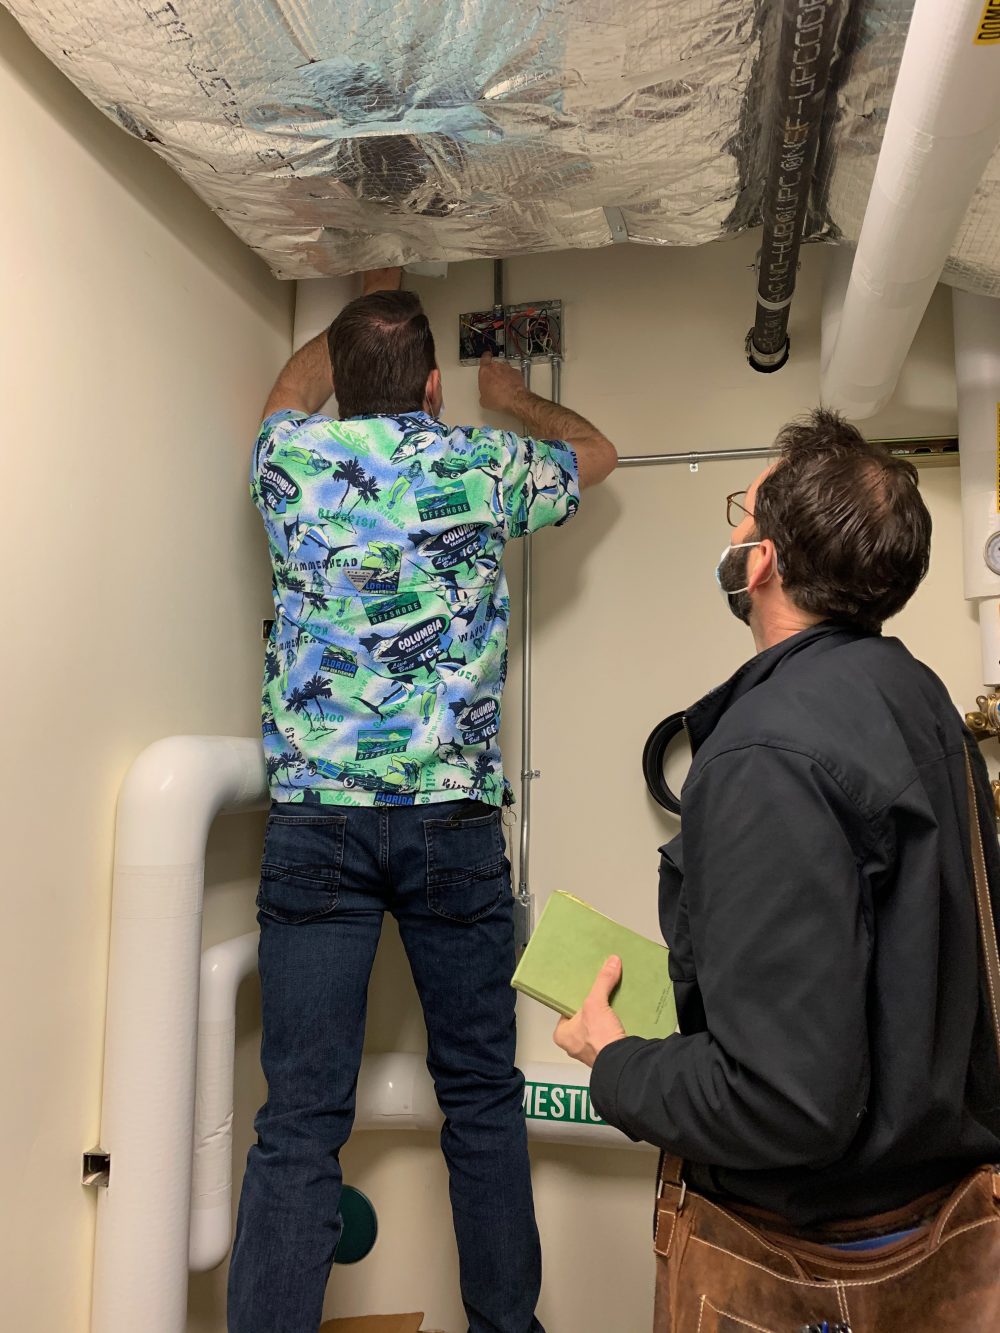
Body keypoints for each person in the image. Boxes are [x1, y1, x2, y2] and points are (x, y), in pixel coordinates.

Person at [228, 268, 617, 1333]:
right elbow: (598, 455)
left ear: (343, 386)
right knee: (481, 1097)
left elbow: (279, 395)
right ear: (434, 387)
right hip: (449, 821)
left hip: (316, 822)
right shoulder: (482, 463)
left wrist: (361, 307)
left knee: (299, 1123)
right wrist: (514, 396)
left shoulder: (292, 459)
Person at [556, 410, 1000, 1330]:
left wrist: (616, 1058)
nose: (731, 534)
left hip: (822, 1270)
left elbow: (782, 1104)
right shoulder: (918, 700)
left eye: (741, 512)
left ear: (762, 562)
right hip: (938, 1214)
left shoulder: (766, 757)